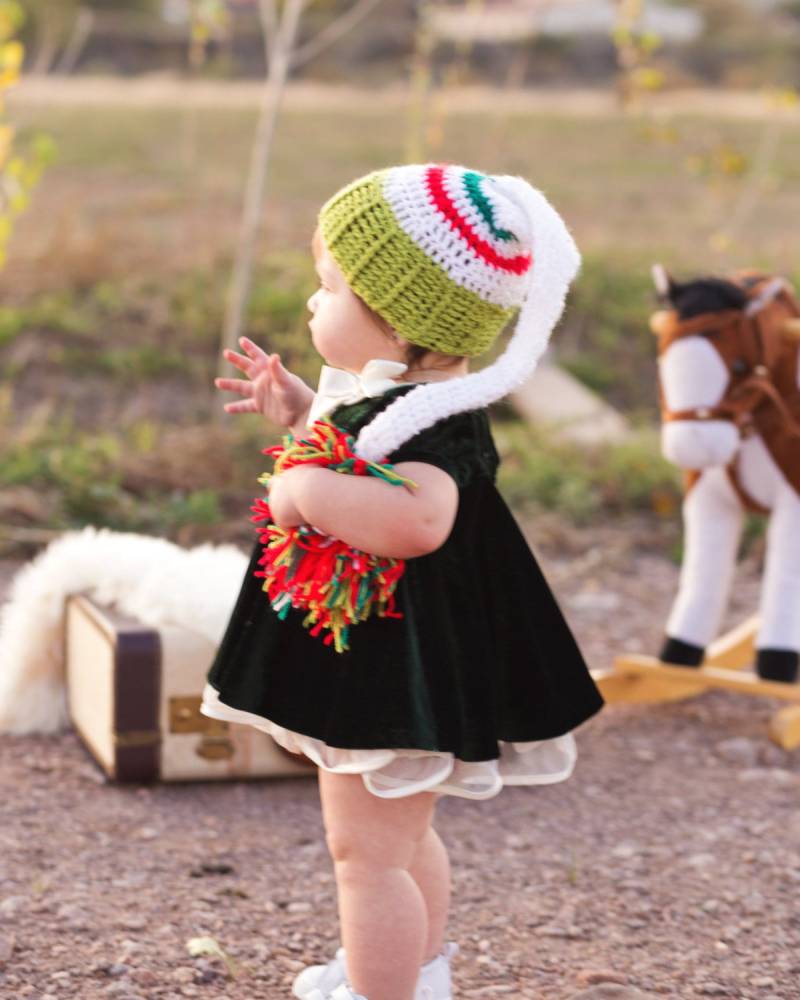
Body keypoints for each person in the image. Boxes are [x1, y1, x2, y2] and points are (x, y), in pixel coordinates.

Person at [200, 163, 604, 1000]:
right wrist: (305, 411)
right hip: (394, 660)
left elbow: (418, 519)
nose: (314, 303)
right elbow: (367, 451)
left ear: (399, 325)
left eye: (330, 287)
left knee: (366, 853)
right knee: (402, 834)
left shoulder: (438, 423)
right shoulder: (405, 398)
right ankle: (414, 973)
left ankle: (383, 989)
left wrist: (302, 492)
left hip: (396, 674)